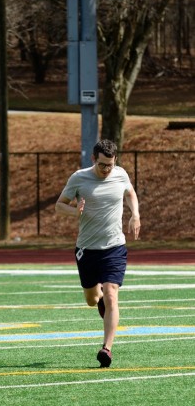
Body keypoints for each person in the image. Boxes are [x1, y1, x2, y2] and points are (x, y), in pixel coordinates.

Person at [55, 138, 141, 368]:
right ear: (93, 159)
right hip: (87, 248)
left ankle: (107, 349)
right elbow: (59, 205)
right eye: (102, 164)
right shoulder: (79, 178)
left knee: (112, 294)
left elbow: (130, 192)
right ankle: (99, 298)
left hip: (114, 246)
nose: (106, 169)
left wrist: (135, 214)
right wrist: (74, 212)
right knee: (93, 299)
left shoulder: (120, 174)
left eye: (110, 165)